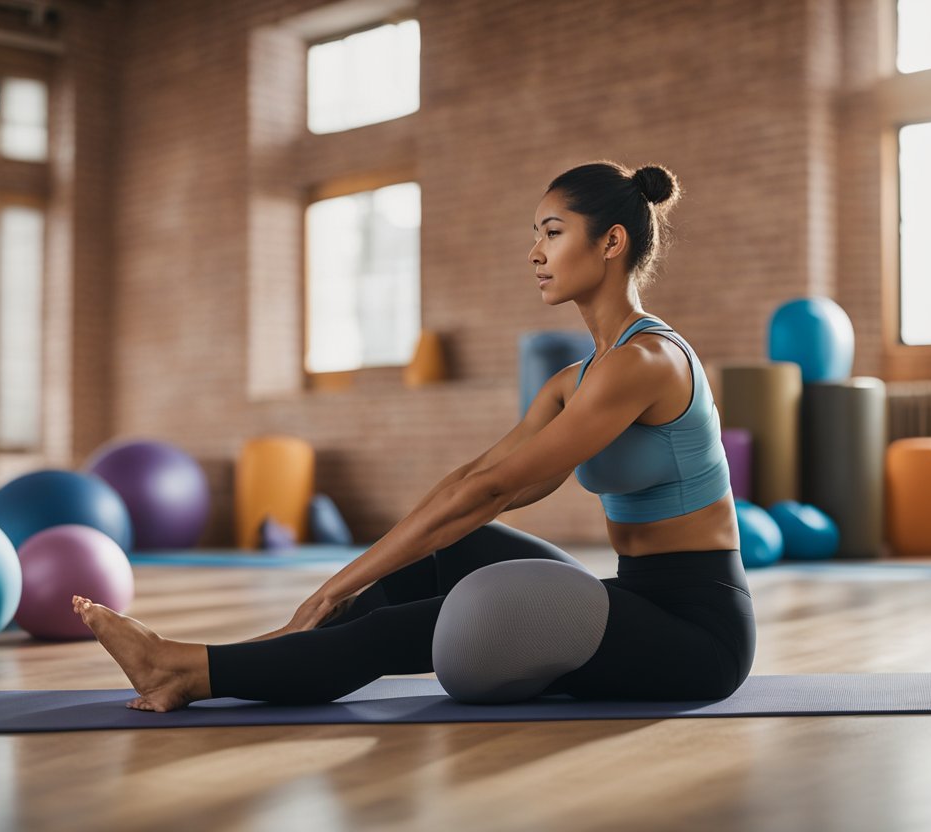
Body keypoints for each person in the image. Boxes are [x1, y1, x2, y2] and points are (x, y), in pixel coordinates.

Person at [73, 160, 756, 711]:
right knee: (437, 558)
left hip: (699, 633)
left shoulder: (645, 362)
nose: (534, 253)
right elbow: (468, 482)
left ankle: (192, 669)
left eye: (552, 232)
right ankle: (233, 660)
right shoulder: (575, 380)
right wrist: (356, 576)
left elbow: (493, 491)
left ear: (611, 242)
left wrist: (333, 587)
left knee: (417, 612)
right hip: (631, 598)